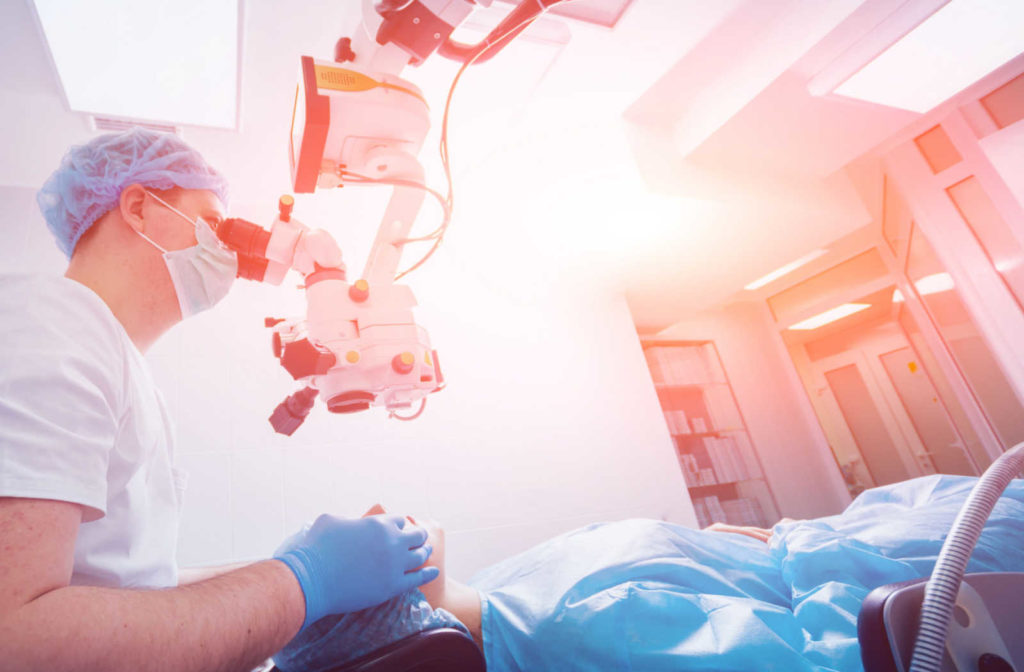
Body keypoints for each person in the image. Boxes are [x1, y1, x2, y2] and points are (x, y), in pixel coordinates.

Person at [0, 128, 437, 671]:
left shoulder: (119, 363)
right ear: (138, 206)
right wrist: (304, 580)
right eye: (214, 224)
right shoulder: (54, 323)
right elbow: (13, 636)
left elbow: (137, 592)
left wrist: (275, 573)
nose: (229, 253)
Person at [275, 474, 1024, 672]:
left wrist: (734, 546)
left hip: (865, 532)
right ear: (389, 614)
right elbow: (846, 658)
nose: (374, 507)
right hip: (922, 566)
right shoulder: (577, 638)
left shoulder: (510, 592)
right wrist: (795, 557)